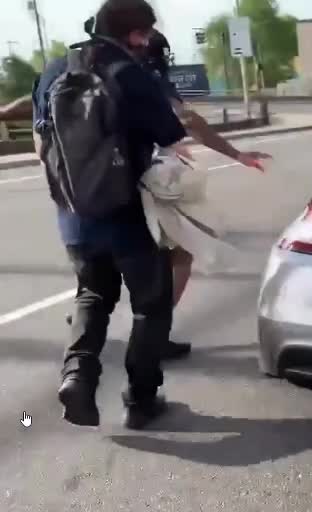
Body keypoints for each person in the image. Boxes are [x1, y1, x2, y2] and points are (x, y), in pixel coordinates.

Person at [62, 22, 272, 361]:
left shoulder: (71, 69)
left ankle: (89, 318)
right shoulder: (142, 76)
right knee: (179, 254)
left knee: (102, 266)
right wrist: (236, 155)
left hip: (90, 187)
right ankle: (151, 337)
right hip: (144, 184)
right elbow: (188, 119)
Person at [33, 0, 186, 429]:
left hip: (75, 215)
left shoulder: (54, 69)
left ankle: (77, 377)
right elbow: (170, 134)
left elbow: (40, 142)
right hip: (128, 214)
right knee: (151, 306)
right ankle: (140, 399)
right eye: (145, 34)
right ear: (136, 34)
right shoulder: (128, 72)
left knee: (92, 293)